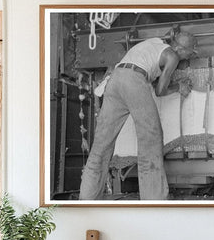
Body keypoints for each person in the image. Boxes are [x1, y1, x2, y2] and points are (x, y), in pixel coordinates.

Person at [79, 32, 197, 200]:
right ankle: (154, 199)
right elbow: (160, 91)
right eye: (190, 52)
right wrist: (179, 87)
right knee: (151, 138)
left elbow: (150, 70)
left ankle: (87, 198)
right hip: (133, 80)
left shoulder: (155, 41)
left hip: (115, 80)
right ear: (179, 48)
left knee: (101, 145)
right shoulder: (172, 56)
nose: (190, 56)